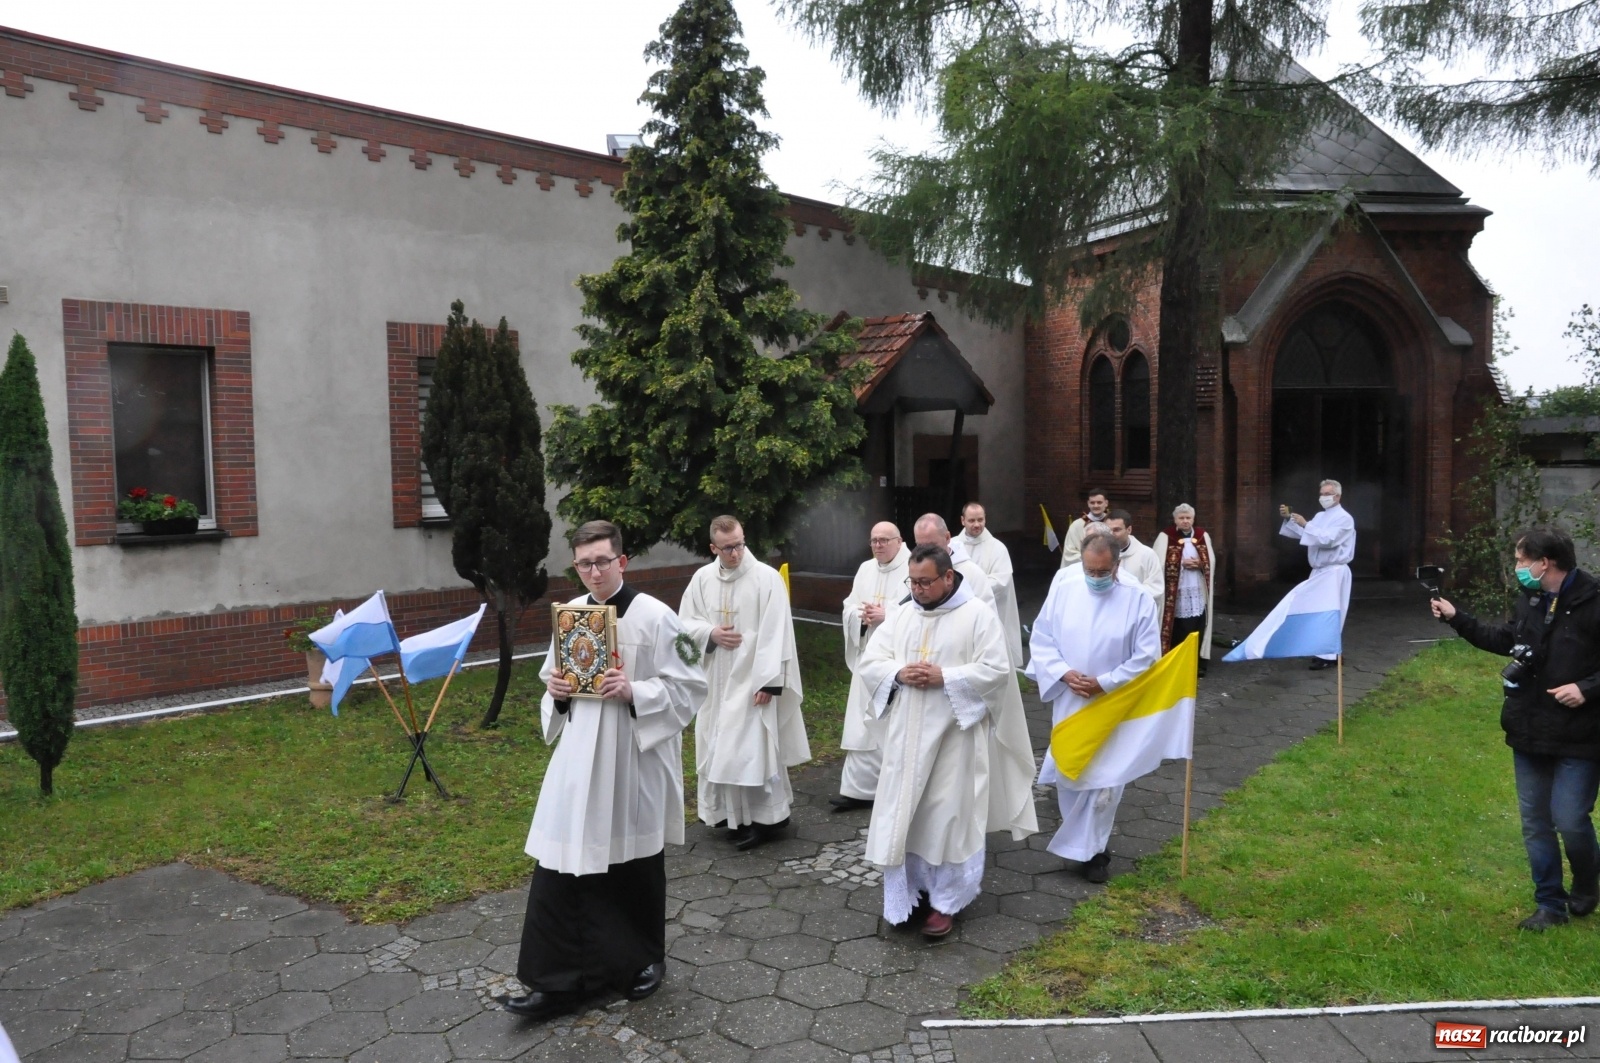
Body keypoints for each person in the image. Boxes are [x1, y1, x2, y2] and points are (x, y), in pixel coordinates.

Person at [502, 520, 707, 1021]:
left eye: (602, 560)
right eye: (584, 563)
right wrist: (556, 692)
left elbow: (691, 685)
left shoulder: (659, 617)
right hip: (579, 756)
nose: (593, 571)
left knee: (633, 863)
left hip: (633, 754)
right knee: (563, 863)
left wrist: (636, 691)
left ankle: (641, 961)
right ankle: (557, 979)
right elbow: (553, 676)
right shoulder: (569, 616)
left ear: (623, 560)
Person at [856, 544, 1031, 937]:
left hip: (956, 738)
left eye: (925, 582)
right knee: (908, 817)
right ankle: (913, 892)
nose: (917, 590)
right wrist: (900, 673)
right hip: (907, 738)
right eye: (912, 582)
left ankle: (947, 902)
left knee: (948, 818)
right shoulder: (901, 615)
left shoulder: (977, 617)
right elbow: (872, 660)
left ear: (948, 577)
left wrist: (946, 677)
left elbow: (996, 671)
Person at [1433, 528, 1600, 931]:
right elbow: (1507, 640)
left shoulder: (1595, 603)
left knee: (1571, 818)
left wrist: (1586, 688)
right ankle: (1549, 905)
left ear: (1546, 563)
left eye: (1522, 561)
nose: (1518, 568)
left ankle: (1587, 882)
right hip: (1528, 727)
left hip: (1581, 733)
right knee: (1535, 822)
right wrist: (1459, 619)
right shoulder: (1530, 599)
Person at [1026, 530, 1161, 883]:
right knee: (1071, 769)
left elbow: (1147, 656)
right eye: (1090, 570)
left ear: (1117, 565)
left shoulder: (1138, 597)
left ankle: (1096, 851)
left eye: (1103, 573)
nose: (1095, 579)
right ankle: (1080, 843)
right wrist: (1063, 673)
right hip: (1071, 695)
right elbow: (1042, 636)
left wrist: (1106, 682)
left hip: (1113, 701)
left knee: (1105, 777)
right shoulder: (1065, 582)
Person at [678, 514, 810, 850]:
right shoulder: (701, 579)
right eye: (727, 548)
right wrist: (709, 633)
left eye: (739, 544)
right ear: (713, 547)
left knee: (751, 750)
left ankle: (765, 819)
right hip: (715, 680)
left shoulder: (766, 578)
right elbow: (683, 626)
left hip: (753, 679)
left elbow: (777, 631)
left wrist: (770, 681)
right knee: (717, 744)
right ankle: (728, 816)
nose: (735, 553)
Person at [832, 521, 911, 812]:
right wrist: (860, 616)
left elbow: (918, 609)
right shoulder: (866, 569)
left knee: (888, 724)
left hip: (894, 661)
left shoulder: (912, 567)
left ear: (899, 541)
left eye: (884, 540)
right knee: (860, 722)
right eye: (874, 540)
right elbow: (849, 605)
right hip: (868, 657)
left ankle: (891, 789)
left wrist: (886, 614)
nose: (878, 545)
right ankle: (857, 790)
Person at [1278, 480, 1356, 670]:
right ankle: (1319, 650)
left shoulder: (1345, 518)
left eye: (1327, 493)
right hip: (1319, 570)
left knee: (1331, 611)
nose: (1323, 497)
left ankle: (1329, 655)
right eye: (1321, 493)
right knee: (1316, 609)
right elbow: (1306, 535)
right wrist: (1291, 520)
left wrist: (1306, 524)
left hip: (1335, 570)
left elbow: (1327, 539)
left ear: (1338, 496)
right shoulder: (1320, 516)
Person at [1152, 504, 1217, 678]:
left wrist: (1200, 565)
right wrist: (1181, 564)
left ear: (1193, 519)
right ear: (1175, 520)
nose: (1185, 521)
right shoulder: (1166, 537)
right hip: (1177, 591)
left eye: (1188, 518)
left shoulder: (1203, 536)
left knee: (1198, 623)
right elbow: (1157, 564)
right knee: (1180, 627)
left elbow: (1211, 562)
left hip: (1197, 587)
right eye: (1181, 518)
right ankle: (1177, 662)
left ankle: (1197, 663)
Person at [959, 502, 1025, 671]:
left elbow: (1001, 581)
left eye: (980, 520)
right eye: (971, 520)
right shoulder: (953, 546)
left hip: (988, 611)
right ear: (962, 521)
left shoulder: (997, 548)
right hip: (957, 611)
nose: (976, 524)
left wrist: (966, 591)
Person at [914, 512, 994, 610]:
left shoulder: (973, 574)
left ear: (947, 537)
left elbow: (985, 615)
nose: (926, 552)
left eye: (932, 545)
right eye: (920, 546)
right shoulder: (913, 575)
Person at [1103, 510, 1163, 608]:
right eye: (1108, 530)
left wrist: (1124, 596)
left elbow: (1155, 588)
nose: (1111, 534)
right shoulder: (1100, 554)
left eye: (1116, 530)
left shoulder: (1147, 554)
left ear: (1129, 530)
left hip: (1134, 610)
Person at [1060, 488, 1111, 568]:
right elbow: (1070, 553)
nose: (1096, 505)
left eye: (1099, 502)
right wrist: (1093, 559)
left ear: (1106, 503)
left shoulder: (1112, 523)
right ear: (1088, 504)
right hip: (1083, 569)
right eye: (1092, 503)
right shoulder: (1077, 525)